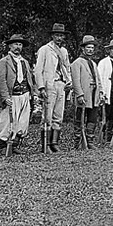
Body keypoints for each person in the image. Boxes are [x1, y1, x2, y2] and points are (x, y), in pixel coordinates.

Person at [0, 34, 36, 154]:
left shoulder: (25, 62)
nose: (18, 47)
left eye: (20, 44)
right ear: (10, 46)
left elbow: (29, 78)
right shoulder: (4, 62)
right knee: (7, 120)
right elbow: (1, 80)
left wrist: (33, 93)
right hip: (12, 95)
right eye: (15, 44)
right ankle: (2, 145)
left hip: (25, 94)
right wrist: (5, 96)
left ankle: (15, 144)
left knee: (22, 121)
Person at [35, 23, 72, 152]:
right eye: (57, 35)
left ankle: (54, 142)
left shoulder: (64, 51)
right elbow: (38, 69)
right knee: (47, 116)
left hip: (61, 84)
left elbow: (67, 67)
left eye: (61, 36)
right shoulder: (45, 49)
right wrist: (41, 87)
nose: (59, 38)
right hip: (49, 84)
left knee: (58, 115)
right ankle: (45, 144)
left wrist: (69, 82)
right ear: (52, 36)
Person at [71, 35, 104, 150]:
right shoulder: (77, 63)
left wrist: (101, 93)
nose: (90, 50)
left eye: (92, 48)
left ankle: (90, 140)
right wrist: (79, 94)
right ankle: (78, 142)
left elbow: (98, 79)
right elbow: (75, 81)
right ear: (83, 48)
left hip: (93, 94)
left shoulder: (94, 64)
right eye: (88, 47)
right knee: (79, 118)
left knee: (92, 118)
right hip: (84, 94)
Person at [97, 39, 113, 140]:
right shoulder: (103, 63)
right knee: (105, 113)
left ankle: (111, 135)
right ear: (109, 51)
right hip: (107, 89)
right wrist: (101, 92)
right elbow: (100, 78)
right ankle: (103, 134)